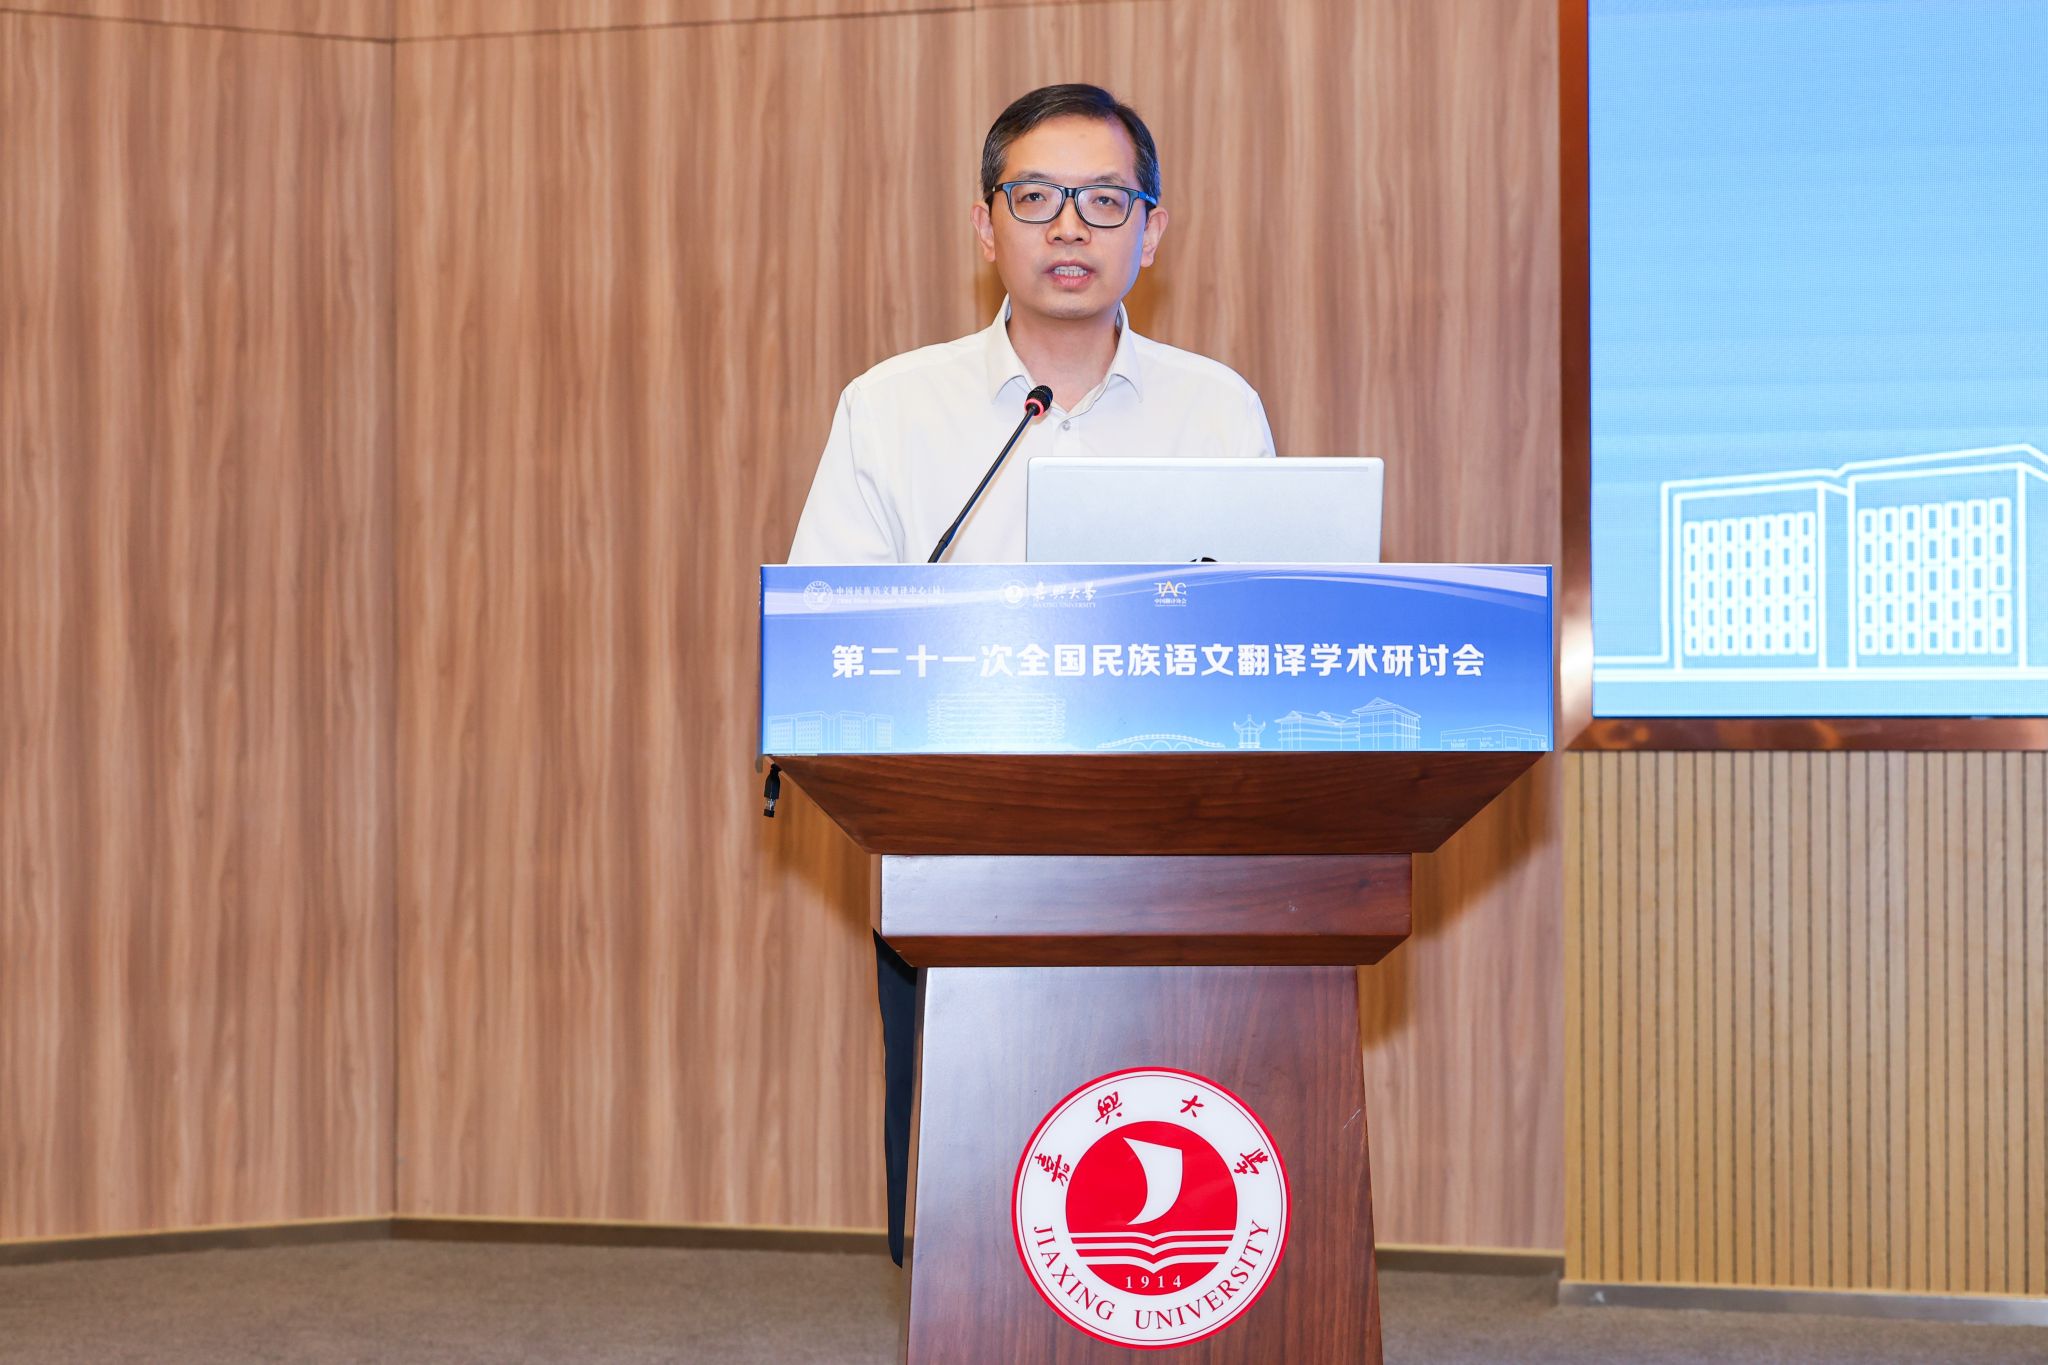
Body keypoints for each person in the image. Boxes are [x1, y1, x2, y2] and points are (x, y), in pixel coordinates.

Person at [785, 83, 1276, 1265]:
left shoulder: (1215, 409)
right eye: (1036, 197)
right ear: (984, 224)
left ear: (1150, 230)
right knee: (982, 1203)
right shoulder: (891, 407)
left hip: (1175, 848)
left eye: (1104, 200)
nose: (1069, 226)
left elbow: (1266, 637)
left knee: (1176, 1149)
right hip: (961, 842)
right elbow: (826, 640)